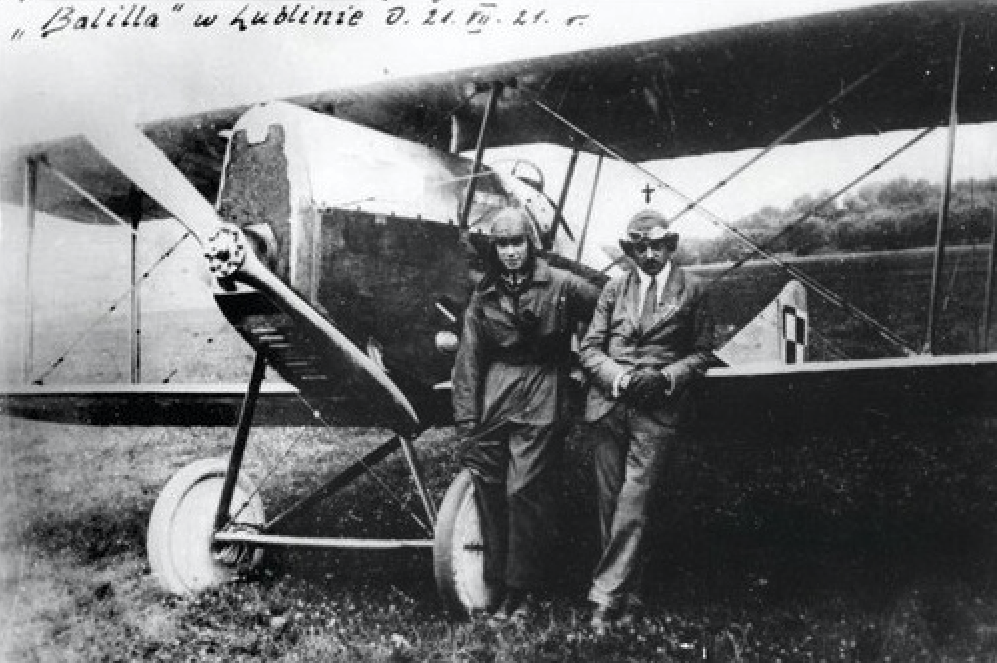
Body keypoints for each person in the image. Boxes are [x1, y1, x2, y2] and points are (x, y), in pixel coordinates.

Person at [452, 206, 600, 626]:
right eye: (503, 245)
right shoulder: (483, 295)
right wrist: (467, 421)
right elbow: (468, 360)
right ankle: (496, 581)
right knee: (490, 485)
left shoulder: (561, 284)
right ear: (494, 249)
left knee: (524, 490)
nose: (511, 252)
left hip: (542, 389)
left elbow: (605, 306)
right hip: (497, 393)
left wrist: (585, 359)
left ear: (529, 245)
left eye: (517, 243)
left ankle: (522, 593)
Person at [579, 209, 715, 635]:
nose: (650, 253)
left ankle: (602, 599)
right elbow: (589, 349)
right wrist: (618, 377)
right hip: (609, 405)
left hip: (656, 410)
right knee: (609, 505)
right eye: (641, 247)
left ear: (669, 246)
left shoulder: (693, 290)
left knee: (633, 503)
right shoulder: (613, 290)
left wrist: (666, 377)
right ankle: (630, 595)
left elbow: (703, 352)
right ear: (631, 250)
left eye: (657, 245)